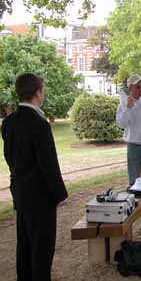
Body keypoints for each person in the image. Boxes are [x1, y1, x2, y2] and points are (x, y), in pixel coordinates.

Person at [1, 73, 68, 281]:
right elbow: (48, 163)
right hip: (40, 196)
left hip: (20, 192)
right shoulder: (40, 123)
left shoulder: (8, 122)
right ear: (38, 92)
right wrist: (59, 194)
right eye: (43, 90)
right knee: (42, 248)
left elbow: (9, 156)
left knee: (25, 244)